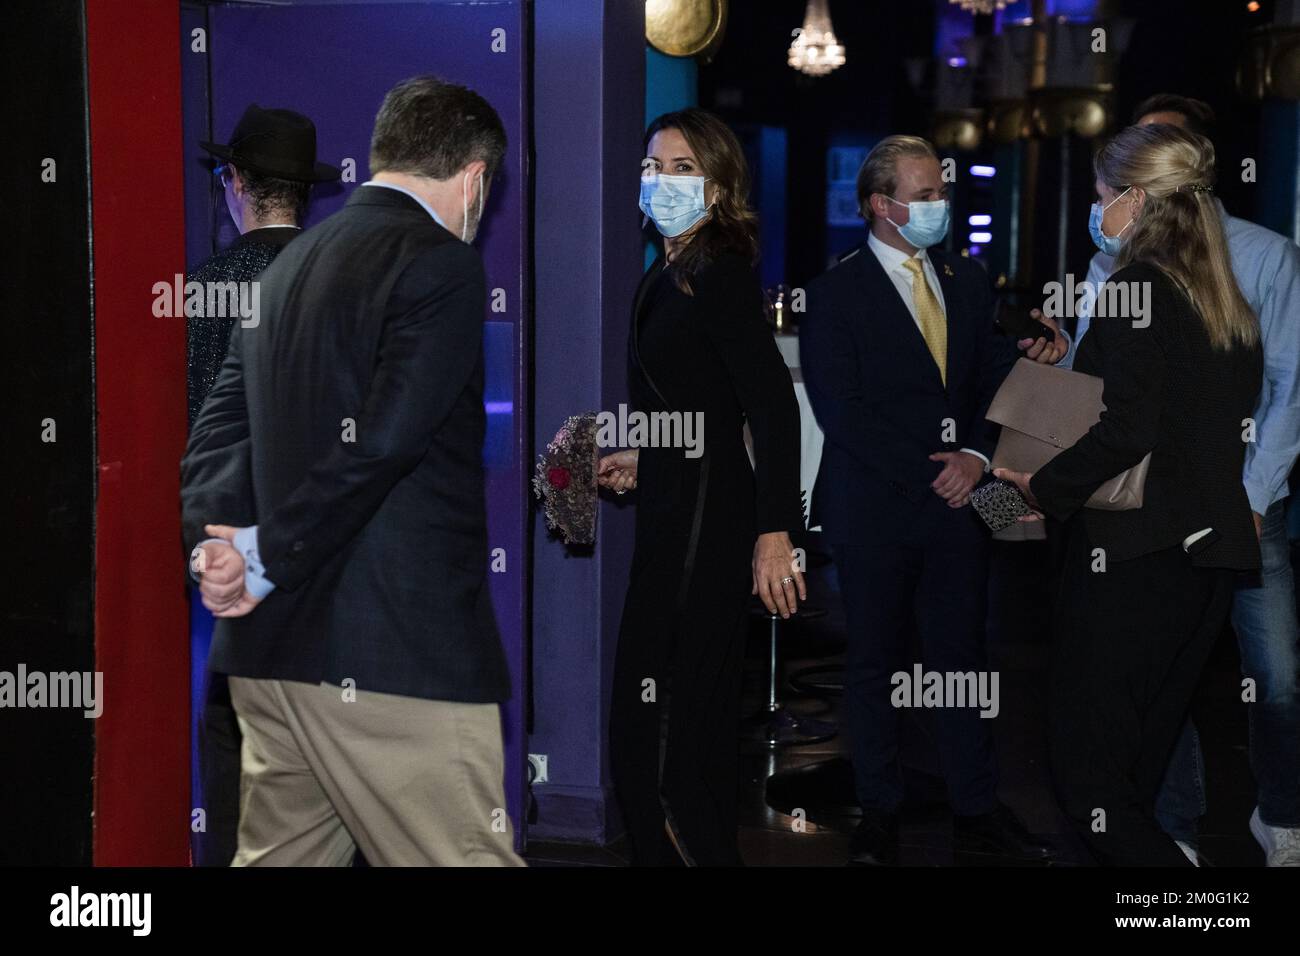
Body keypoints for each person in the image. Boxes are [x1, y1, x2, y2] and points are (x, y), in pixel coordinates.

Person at [181, 75, 522, 866]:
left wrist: (214, 551)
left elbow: (214, 437)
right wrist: (261, 558)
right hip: (394, 662)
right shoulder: (441, 264)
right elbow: (383, 441)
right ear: (474, 176)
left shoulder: (282, 273)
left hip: (268, 660)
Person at [1024, 95, 1300, 865]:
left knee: (1091, 782)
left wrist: (1039, 486)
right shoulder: (1223, 301)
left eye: (1103, 195)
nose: (1095, 209)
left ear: (1134, 200)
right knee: (1138, 770)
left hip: (1133, 561)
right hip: (1205, 564)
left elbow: (1127, 431)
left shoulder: (1135, 288)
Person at [800, 135, 1048, 866]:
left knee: (961, 657)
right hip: (875, 506)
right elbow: (840, 409)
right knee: (874, 660)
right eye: (927, 193)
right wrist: (932, 471)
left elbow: (992, 376)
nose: (941, 203)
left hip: (962, 504)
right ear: (882, 205)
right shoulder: (834, 292)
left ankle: (977, 807)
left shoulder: (967, 279)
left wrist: (974, 458)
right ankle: (879, 810)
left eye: (942, 190)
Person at [599, 108, 805, 866]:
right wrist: (644, 453)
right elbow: (700, 408)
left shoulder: (715, 270)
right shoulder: (673, 267)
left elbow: (771, 403)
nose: (662, 181)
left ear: (718, 186)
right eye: (653, 167)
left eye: (683, 168)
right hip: (678, 505)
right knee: (679, 719)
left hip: (704, 524)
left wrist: (777, 530)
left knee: (657, 724)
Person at [187, 103, 340, 868]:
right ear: (305, 194)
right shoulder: (341, 280)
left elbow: (196, 431)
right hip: (327, 545)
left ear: (235, 184)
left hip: (233, 546)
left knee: (233, 735)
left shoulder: (208, 288)